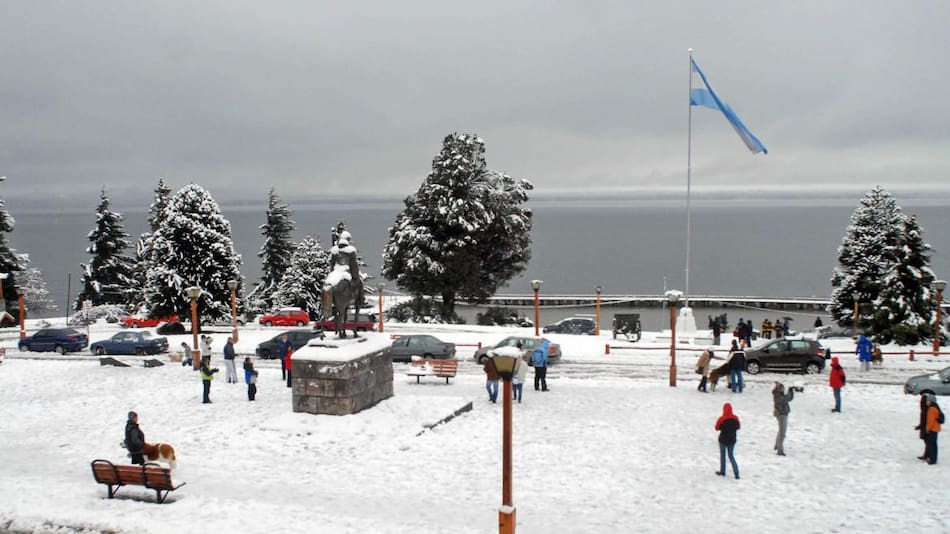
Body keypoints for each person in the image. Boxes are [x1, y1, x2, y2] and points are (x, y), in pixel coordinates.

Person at [715, 402, 740, 479]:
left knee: (723, 455)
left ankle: (722, 471)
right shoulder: (735, 418)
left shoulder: (721, 419)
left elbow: (716, 428)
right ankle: (736, 473)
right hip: (732, 440)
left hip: (723, 440)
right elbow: (738, 427)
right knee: (731, 455)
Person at [772, 382, 797, 456]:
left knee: (781, 430)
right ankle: (780, 450)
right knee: (782, 433)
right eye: (782, 388)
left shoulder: (778, 394)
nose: (783, 389)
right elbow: (786, 399)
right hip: (781, 414)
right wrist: (790, 391)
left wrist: (791, 391)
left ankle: (777, 445)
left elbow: (789, 398)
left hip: (782, 414)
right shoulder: (778, 396)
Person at [923, 393, 943, 465]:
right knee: (934, 445)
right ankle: (934, 458)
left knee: (931, 445)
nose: (926, 402)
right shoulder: (936, 408)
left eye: (928, 401)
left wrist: (927, 429)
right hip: (936, 429)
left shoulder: (931, 409)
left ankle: (932, 460)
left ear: (931, 401)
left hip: (932, 429)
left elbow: (930, 421)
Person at [915, 393, 929, 460]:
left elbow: (924, 421)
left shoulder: (925, 410)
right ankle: (926, 455)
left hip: (926, 428)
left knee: (927, 442)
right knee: (927, 442)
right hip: (926, 428)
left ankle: (926, 455)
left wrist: (919, 427)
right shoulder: (926, 408)